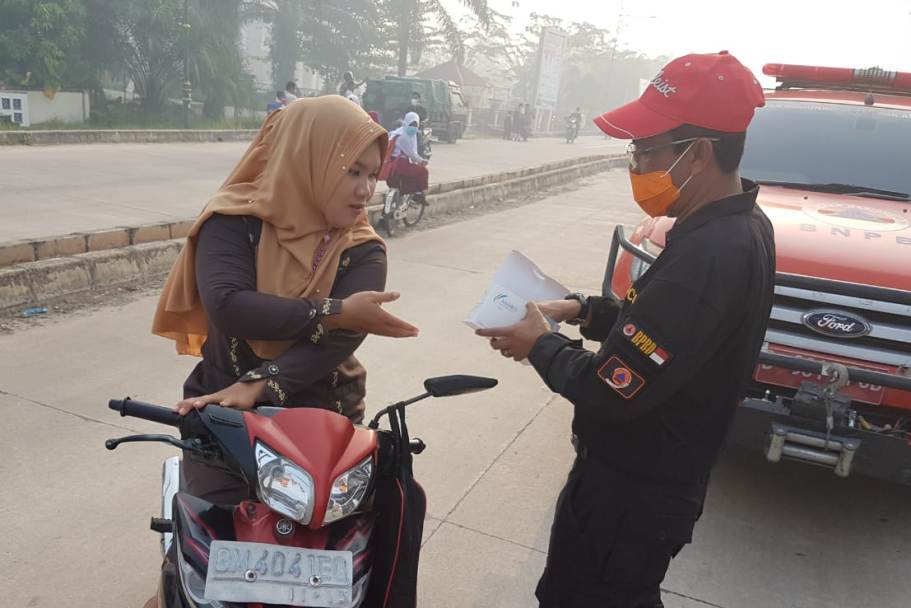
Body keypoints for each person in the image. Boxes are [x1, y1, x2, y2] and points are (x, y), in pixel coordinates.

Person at [477, 51, 773, 608]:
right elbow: (666, 337)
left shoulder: (710, 256)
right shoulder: (736, 225)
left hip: (633, 491)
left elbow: (610, 388)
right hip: (647, 481)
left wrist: (538, 343)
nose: (635, 163)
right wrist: (585, 311)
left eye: (646, 150)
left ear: (700, 153)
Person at [152, 95, 419, 507]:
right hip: (222, 407)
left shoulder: (363, 248)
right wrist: (333, 310)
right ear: (307, 158)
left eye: (372, 174)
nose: (366, 190)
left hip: (323, 413)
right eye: (352, 171)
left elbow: (337, 341)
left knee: (362, 537)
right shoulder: (231, 221)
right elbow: (230, 306)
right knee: (209, 534)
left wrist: (262, 382)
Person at [378, 111, 429, 235]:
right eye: (411, 124)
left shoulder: (397, 132)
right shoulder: (404, 137)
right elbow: (412, 154)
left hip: (391, 168)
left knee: (396, 188)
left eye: (415, 125)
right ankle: (418, 194)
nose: (413, 127)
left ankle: (384, 218)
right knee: (422, 171)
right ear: (406, 122)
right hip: (400, 165)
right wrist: (422, 161)